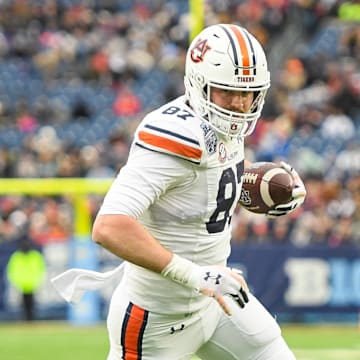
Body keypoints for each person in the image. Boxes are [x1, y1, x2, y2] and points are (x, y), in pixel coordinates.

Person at [52, 24, 306, 359]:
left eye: (248, 93)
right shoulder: (174, 136)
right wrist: (196, 274)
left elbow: (199, 188)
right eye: (227, 91)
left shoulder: (223, 124)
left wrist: (252, 189)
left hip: (218, 301)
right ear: (199, 85)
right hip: (156, 321)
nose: (239, 104)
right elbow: (109, 226)